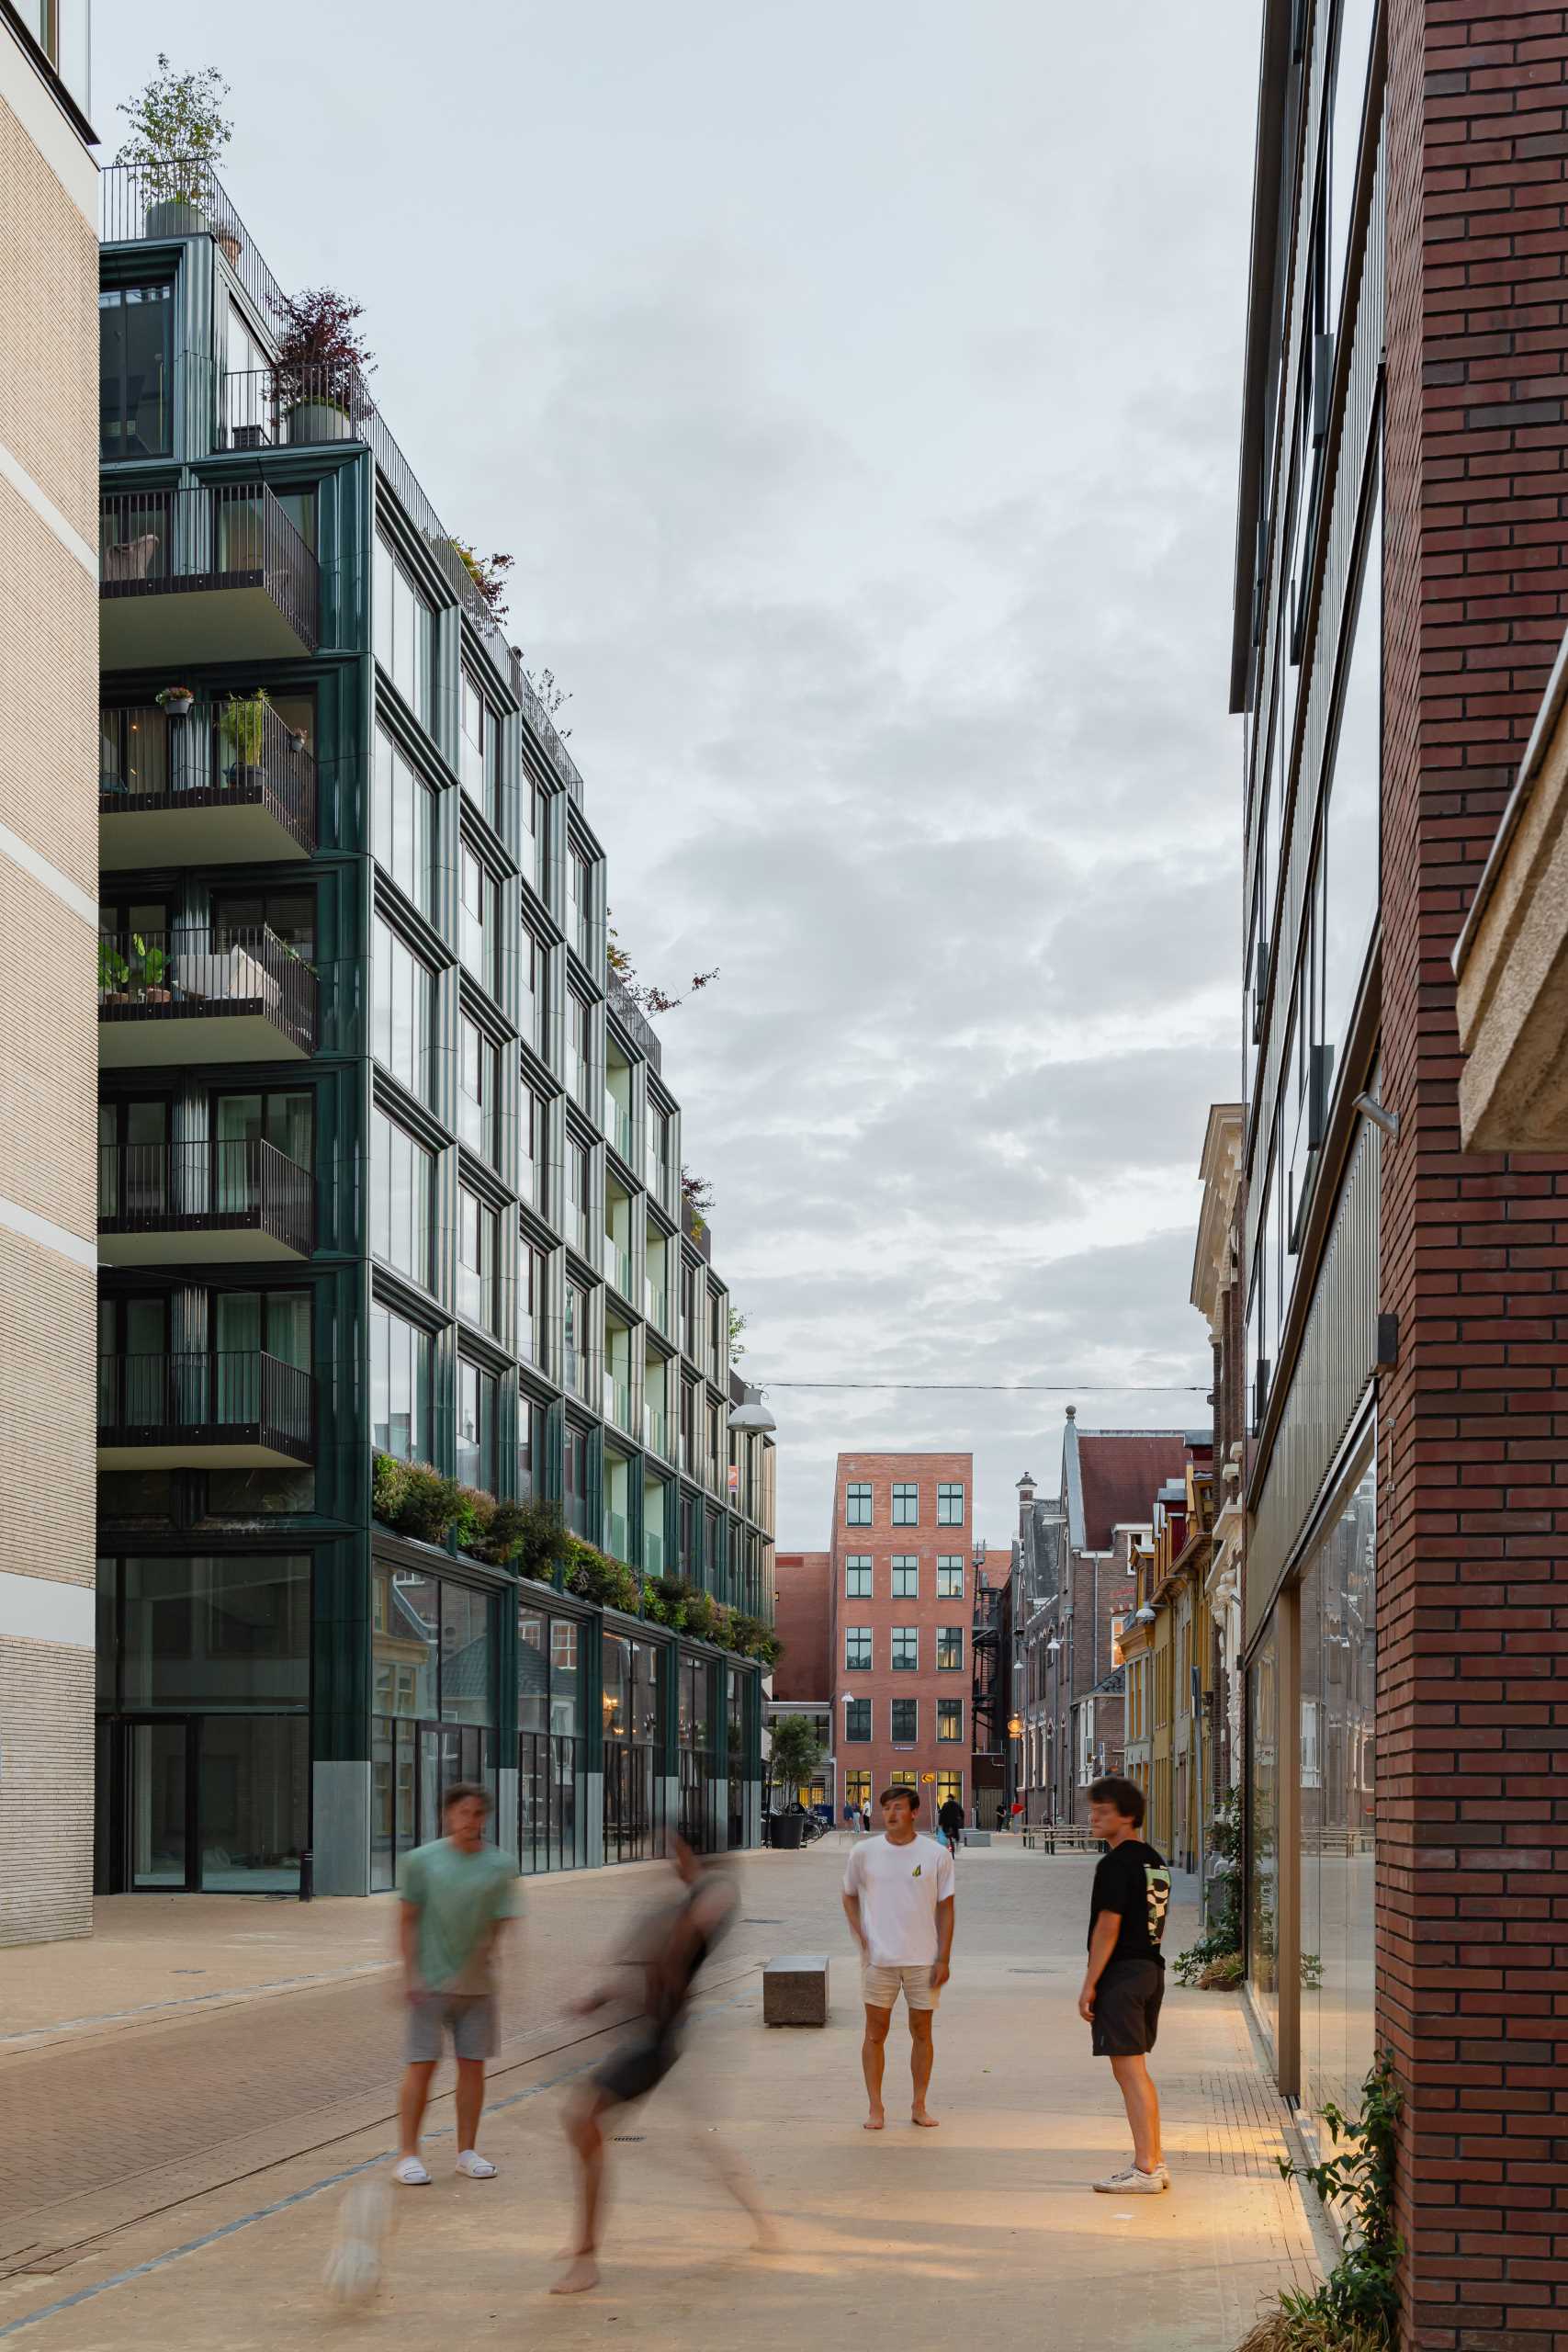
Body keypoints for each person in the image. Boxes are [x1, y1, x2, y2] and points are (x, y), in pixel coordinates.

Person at [554, 1832, 773, 2294]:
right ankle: (760, 2222)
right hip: (648, 2036)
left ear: (690, 1850)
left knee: (583, 2121)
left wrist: (669, 1953)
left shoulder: (714, 1890)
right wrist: (599, 1997)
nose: (667, 1858)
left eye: (672, 1848)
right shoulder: (683, 1901)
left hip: (659, 2041)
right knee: (685, 2133)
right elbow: (654, 1962)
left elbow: (697, 1927)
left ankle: (586, 2258)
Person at [393, 1781, 521, 2188]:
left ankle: (467, 2151)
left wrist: (492, 1955)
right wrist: (409, 1973)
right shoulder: (421, 1862)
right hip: (428, 1984)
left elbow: (503, 1919)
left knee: (472, 2067)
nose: (471, 1820)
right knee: (422, 2066)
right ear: (449, 1815)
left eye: (478, 1813)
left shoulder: (501, 1865)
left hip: (477, 1986)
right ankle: (408, 2155)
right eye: (463, 1812)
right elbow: (407, 1918)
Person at [1077, 1774, 1171, 2195]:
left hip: (1124, 1976)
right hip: (1150, 1971)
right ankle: (1154, 2161)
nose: (1095, 1817)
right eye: (1094, 1809)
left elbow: (1107, 1928)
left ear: (1128, 1816)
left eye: (1104, 1812)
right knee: (1137, 2072)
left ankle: (1146, 2169)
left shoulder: (1115, 1863)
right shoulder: (1154, 1860)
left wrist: (1090, 1983)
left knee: (1129, 2073)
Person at [840, 1784, 955, 2132]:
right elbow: (848, 1894)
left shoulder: (936, 1854)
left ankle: (919, 2104)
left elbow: (946, 1909)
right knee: (875, 2033)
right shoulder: (864, 1852)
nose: (891, 1814)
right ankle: (876, 2107)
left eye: (899, 1807)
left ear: (914, 1812)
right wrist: (861, 1934)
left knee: (922, 2031)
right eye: (886, 1807)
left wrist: (944, 1958)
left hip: (922, 1959)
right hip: (879, 1960)